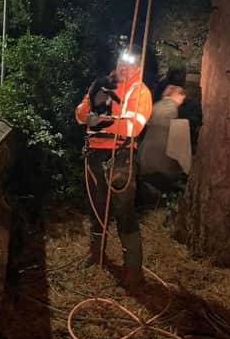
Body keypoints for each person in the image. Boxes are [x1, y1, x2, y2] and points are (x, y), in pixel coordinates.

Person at [75, 49, 152, 292]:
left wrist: (103, 121)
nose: (123, 67)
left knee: (123, 211)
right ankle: (96, 253)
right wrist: (86, 116)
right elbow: (80, 112)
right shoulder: (100, 85)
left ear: (137, 66)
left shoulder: (139, 91)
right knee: (96, 207)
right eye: (121, 61)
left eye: (129, 63)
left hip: (120, 156)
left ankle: (133, 268)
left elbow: (133, 126)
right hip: (95, 154)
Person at [137, 85, 190, 216]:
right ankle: (169, 210)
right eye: (182, 97)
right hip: (164, 156)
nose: (182, 101)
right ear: (177, 95)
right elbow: (176, 134)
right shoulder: (172, 110)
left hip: (146, 153)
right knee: (171, 184)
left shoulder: (156, 106)